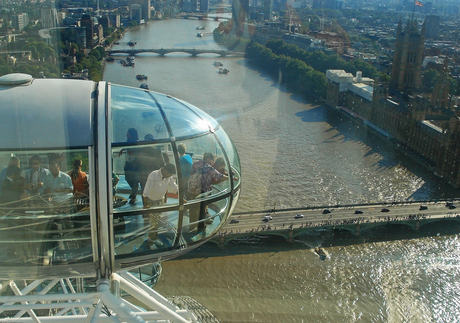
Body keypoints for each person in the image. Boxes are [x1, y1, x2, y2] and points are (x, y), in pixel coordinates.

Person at [187, 153, 230, 230]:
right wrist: (230, 178)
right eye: (212, 160)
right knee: (202, 210)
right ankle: (201, 227)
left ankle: (191, 227)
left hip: (191, 190)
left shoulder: (196, 163)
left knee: (192, 210)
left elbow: (192, 173)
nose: (213, 162)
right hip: (201, 192)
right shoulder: (208, 167)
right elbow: (219, 176)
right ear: (209, 158)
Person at [142, 163, 178, 248]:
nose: (170, 176)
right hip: (151, 201)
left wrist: (181, 198)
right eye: (170, 174)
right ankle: (150, 241)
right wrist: (146, 204)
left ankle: (154, 237)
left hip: (160, 201)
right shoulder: (153, 175)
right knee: (154, 222)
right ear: (165, 170)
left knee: (157, 221)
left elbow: (174, 187)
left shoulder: (168, 176)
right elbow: (146, 190)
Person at [119, 128, 140, 204]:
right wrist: (122, 149)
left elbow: (139, 152)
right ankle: (134, 191)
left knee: (134, 180)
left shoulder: (137, 143)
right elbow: (126, 147)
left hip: (134, 163)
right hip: (128, 162)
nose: (126, 134)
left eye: (128, 133)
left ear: (132, 134)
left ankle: (134, 195)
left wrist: (133, 153)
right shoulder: (128, 141)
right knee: (127, 177)